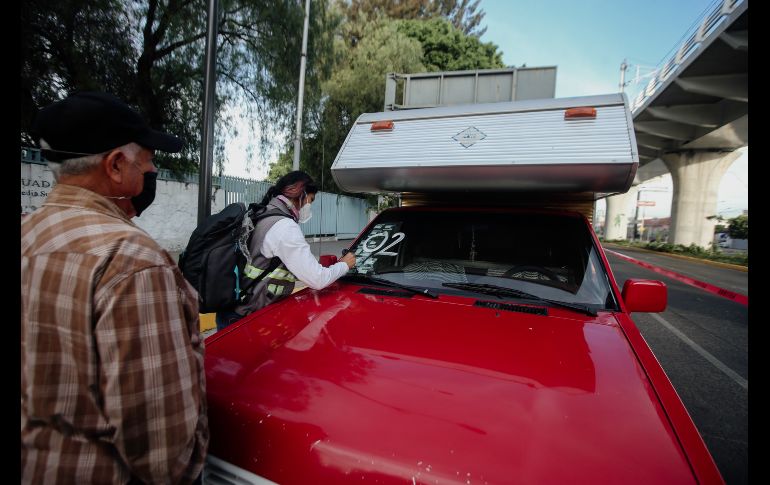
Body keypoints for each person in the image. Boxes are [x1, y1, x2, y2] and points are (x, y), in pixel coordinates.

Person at [21, 92, 208, 484]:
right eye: (148, 160)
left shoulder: (28, 234)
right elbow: (162, 452)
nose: (152, 170)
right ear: (117, 165)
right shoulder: (134, 261)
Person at [215, 171, 356, 330]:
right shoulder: (284, 227)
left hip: (234, 311)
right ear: (300, 193)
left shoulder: (262, 213)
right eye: (311, 200)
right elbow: (318, 279)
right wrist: (344, 264)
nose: (309, 207)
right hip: (247, 319)